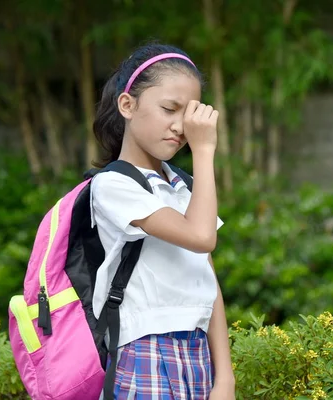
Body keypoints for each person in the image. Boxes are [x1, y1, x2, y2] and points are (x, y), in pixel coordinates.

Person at [90, 42, 235, 399]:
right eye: (169, 109)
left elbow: (208, 281)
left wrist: (225, 378)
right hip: (144, 355)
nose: (180, 127)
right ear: (128, 105)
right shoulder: (112, 186)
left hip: (198, 354)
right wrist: (204, 150)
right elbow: (201, 237)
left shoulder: (182, 186)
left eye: (187, 115)